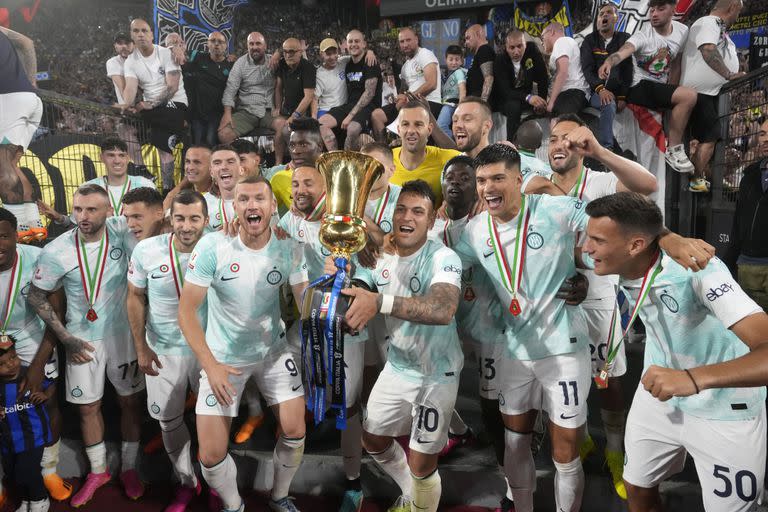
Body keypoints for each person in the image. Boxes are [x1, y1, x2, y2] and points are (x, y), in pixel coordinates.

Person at [583, 192, 768, 512]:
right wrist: (668, 236)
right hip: (658, 397)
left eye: (597, 240)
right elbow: (639, 204)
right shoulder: (618, 257)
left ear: (635, 245)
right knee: (637, 488)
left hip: (724, 408)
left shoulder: (699, 271)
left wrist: (691, 379)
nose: (587, 248)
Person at [179, 174, 309, 512]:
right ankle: (234, 506)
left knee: (295, 430)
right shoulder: (212, 246)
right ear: (233, 207)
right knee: (209, 455)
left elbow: (307, 305)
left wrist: (327, 279)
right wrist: (211, 366)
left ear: (272, 206)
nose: (252, 205)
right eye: (244, 199)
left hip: (273, 352)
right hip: (223, 359)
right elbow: (186, 313)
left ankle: (280, 496)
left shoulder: (288, 245)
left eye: (259, 199)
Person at [546, 114, 658, 500]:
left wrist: (599, 151)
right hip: (551, 300)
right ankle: (579, 439)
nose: (558, 144)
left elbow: (649, 185)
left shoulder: (599, 181)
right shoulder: (535, 186)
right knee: (558, 380)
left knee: (607, 379)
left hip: (596, 296)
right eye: (552, 138)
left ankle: (614, 450)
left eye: (567, 138)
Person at [341, 179, 463, 512]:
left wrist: (378, 302)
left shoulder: (443, 257)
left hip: (436, 372)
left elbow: (442, 309)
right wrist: (341, 290)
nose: (407, 216)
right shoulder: (379, 254)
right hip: (398, 366)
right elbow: (359, 292)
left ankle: (419, 503)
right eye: (401, 209)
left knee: (423, 464)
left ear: (431, 220)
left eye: (418, 211)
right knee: (373, 439)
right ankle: (413, 494)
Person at [28, 185, 145, 507]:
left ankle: (130, 468)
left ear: (109, 211)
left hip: (124, 336)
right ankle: (98, 471)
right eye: (78, 209)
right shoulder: (57, 250)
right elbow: (36, 295)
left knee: (130, 403)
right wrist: (65, 337)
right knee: (87, 407)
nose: (83, 217)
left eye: (92, 210)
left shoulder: (123, 230)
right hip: (81, 340)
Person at [127, 191, 209, 512]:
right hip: (162, 350)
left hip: (207, 352)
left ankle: (215, 482)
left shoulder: (218, 248)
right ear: (169, 218)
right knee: (168, 421)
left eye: (194, 219)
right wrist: (141, 347)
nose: (186, 226)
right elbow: (134, 297)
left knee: (212, 421)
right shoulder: (147, 251)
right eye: (180, 218)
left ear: (206, 220)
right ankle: (187, 483)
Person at [0, 208, 71, 504]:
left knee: (46, 400)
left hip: (30, 334)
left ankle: (48, 471)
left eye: (2, 236)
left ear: (15, 235)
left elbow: (58, 314)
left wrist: (39, 363)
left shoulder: (38, 259)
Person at [598, 0, 698, 174]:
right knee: (689, 96)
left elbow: (675, 64)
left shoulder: (682, 31)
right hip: (638, 87)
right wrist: (609, 61)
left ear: (673, 9)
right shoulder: (643, 35)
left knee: (691, 99)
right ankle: (674, 150)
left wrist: (671, 93)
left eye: (660, 9)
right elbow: (624, 51)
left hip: (658, 86)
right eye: (652, 10)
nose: (654, 14)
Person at [681, 0, 745, 192]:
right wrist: (729, 74)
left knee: (710, 140)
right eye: (739, 12)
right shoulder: (711, 22)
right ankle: (694, 182)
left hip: (709, 93)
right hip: (701, 94)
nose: (738, 17)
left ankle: (698, 180)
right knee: (710, 138)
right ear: (732, 7)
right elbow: (708, 49)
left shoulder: (717, 27)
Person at [121, 18, 188, 194]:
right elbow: (130, 88)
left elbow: (172, 87)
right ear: (132, 35)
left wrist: (150, 104)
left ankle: (168, 188)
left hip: (175, 103)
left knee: (160, 139)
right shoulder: (130, 61)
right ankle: (142, 171)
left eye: (144, 30)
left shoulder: (166, 53)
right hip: (152, 109)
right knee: (124, 129)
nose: (140, 34)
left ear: (152, 34)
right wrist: (125, 104)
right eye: (136, 31)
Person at [0, 27, 45, 243]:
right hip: (28, 98)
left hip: (7, 100)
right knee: (12, 165)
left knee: (3, 166)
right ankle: (32, 226)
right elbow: (27, 42)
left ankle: (15, 230)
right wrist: (32, 82)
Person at [0, 335, 54, 512]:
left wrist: (46, 395)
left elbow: (52, 384)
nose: (11, 364)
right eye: (2, 364)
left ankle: (40, 499)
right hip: (8, 439)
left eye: (13, 357)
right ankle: (26, 500)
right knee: (13, 473)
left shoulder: (29, 374)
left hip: (32, 436)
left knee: (27, 470)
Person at [724, 118, 768, 312]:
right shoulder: (750, 175)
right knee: (752, 336)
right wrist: (728, 263)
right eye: (763, 133)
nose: (765, 140)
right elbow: (739, 222)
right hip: (749, 267)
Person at [371, 27, 442, 142]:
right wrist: (399, 97)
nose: (405, 44)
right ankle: (384, 151)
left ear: (416, 39)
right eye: (402, 42)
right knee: (376, 115)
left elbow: (432, 84)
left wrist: (408, 97)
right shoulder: (405, 67)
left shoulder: (425, 54)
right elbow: (403, 91)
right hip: (409, 103)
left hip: (429, 103)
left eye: (408, 40)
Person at [580, 2, 633, 151]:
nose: (604, 15)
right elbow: (587, 70)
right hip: (596, 91)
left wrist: (623, 96)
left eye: (608, 12)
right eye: (601, 14)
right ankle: (606, 149)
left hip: (618, 90)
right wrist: (600, 89)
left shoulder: (624, 39)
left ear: (616, 18)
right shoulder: (589, 41)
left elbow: (628, 70)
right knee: (608, 103)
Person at [319, 30, 381, 152]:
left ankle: (347, 161)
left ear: (364, 44)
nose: (353, 44)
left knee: (352, 129)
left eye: (357, 41)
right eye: (350, 41)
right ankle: (334, 157)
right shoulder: (347, 63)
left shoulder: (370, 62)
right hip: (349, 105)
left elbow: (369, 93)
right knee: (319, 123)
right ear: (346, 45)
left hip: (369, 106)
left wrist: (350, 116)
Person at [391, 101, 460, 205]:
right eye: (405, 124)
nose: (411, 130)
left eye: (418, 124)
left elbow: (479, 168)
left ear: (429, 129)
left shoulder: (447, 159)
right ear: (398, 129)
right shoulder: (385, 160)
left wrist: (477, 197)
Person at [218, 32, 279, 148]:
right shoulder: (240, 64)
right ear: (247, 46)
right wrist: (227, 113)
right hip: (247, 111)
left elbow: (290, 55)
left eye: (258, 43)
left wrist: (278, 53)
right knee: (224, 134)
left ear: (265, 46)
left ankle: (279, 163)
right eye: (251, 44)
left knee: (284, 127)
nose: (254, 47)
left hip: (269, 112)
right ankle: (238, 162)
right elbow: (230, 90)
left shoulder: (273, 61)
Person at [491, 30, 549, 140]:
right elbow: (506, 91)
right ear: (506, 47)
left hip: (526, 96)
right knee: (514, 106)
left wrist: (541, 101)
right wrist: (528, 97)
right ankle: (511, 145)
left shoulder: (532, 50)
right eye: (512, 48)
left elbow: (543, 77)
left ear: (525, 44)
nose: (516, 52)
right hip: (505, 100)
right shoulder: (500, 59)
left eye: (519, 46)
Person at [184, 31, 234, 147]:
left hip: (217, 114)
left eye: (220, 42)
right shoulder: (198, 57)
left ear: (226, 46)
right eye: (213, 41)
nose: (216, 44)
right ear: (207, 44)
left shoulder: (231, 65)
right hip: (197, 113)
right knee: (197, 144)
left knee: (211, 142)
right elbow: (181, 54)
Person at [266, 117, 324, 214]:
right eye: (292, 145)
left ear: (319, 146)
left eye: (303, 145)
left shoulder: (336, 174)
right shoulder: (280, 178)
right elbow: (264, 211)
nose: (295, 151)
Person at [84, 137, 156, 216]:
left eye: (121, 155)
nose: (117, 161)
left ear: (128, 158)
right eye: (111, 155)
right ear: (101, 158)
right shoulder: (89, 188)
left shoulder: (145, 185)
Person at [272, 38, 316, 166]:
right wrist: (278, 107)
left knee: (287, 131)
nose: (288, 55)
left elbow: (308, 97)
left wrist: (294, 116)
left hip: (303, 112)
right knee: (280, 130)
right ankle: (278, 165)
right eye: (285, 52)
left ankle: (298, 163)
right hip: (286, 109)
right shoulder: (282, 64)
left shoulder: (308, 67)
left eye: (291, 51)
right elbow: (278, 88)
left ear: (300, 52)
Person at [105, 32, 145, 170]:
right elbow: (122, 85)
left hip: (147, 106)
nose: (123, 46)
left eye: (127, 43)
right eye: (119, 43)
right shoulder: (113, 62)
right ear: (115, 46)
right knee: (124, 131)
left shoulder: (142, 60)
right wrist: (128, 104)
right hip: (129, 110)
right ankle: (142, 168)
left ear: (133, 44)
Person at [540, 23, 590, 116]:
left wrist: (551, 102)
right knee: (557, 126)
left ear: (551, 32)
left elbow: (562, 72)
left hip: (572, 93)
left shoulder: (561, 41)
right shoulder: (564, 44)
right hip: (570, 94)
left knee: (563, 127)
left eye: (542, 37)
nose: (541, 42)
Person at [163, 145, 214, 211]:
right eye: (187, 161)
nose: (190, 167)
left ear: (212, 167)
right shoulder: (178, 197)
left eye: (197, 162)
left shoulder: (223, 197)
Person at [204, 145, 240, 230]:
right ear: (211, 172)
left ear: (241, 169)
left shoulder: (258, 197)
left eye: (230, 162)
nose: (224, 167)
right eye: (217, 163)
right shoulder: (203, 203)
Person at [436, 45, 467, 140]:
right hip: (445, 104)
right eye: (451, 59)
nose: (454, 62)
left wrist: (460, 107)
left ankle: (454, 144)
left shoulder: (459, 73)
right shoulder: (444, 74)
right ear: (446, 59)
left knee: (441, 126)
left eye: (457, 59)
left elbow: (462, 89)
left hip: (452, 105)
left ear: (462, 61)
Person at [313, 38, 348, 121]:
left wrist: (369, 52)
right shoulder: (319, 74)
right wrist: (314, 117)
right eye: (328, 54)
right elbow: (315, 98)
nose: (332, 57)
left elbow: (359, 56)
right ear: (321, 54)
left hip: (343, 109)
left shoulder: (343, 62)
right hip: (326, 110)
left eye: (334, 53)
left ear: (338, 52)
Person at [463, 24, 495, 102]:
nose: (466, 43)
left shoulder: (484, 49)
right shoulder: (480, 53)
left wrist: (483, 103)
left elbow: (489, 78)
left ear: (478, 34)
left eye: (468, 38)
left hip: (479, 104)